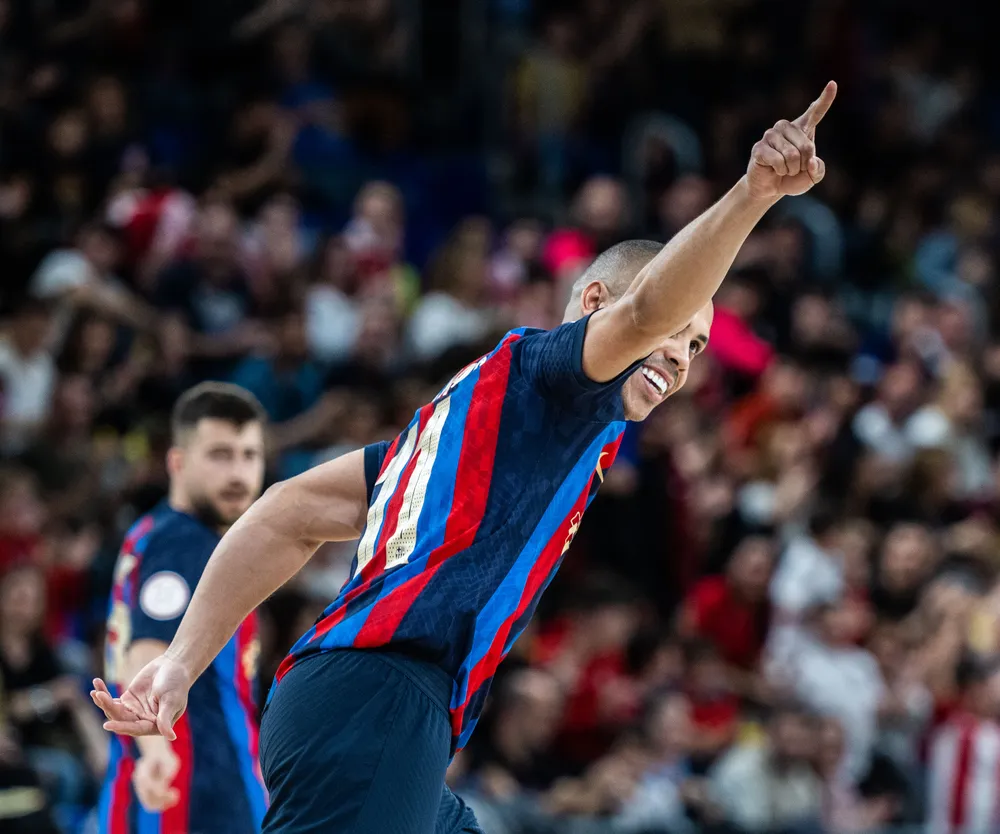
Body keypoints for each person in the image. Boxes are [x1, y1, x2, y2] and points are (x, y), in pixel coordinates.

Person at [92, 83, 839, 834]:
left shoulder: (472, 433)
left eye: (698, 345)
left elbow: (287, 514)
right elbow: (646, 313)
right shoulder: (559, 378)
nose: (679, 355)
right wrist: (753, 194)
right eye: (680, 326)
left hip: (360, 710)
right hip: (380, 701)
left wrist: (184, 663)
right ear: (593, 303)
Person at [94, 382, 268, 833]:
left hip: (162, 785)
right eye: (220, 455)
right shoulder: (185, 542)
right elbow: (150, 648)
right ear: (177, 462)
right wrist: (157, 750)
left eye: (249, 456)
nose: (238, 473)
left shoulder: (153, 532)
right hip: (192, 789)